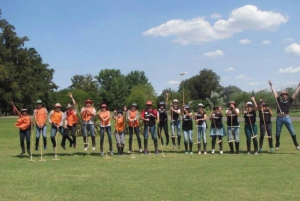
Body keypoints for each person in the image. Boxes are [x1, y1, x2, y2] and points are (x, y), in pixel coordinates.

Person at [269, 80, 300, 150]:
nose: (284, 95)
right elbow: (274, 93)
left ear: (287, 95)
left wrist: (299, 86)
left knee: (292, 132)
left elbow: (295, 93)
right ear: (281, 95)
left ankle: (296, 145)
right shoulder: (279, 99)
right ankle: (277, 145)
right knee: (277, 133)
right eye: (283, 94)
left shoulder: (289, 100)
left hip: (287, 118)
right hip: (279, 118)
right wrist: (271, 85)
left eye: (285, 94)